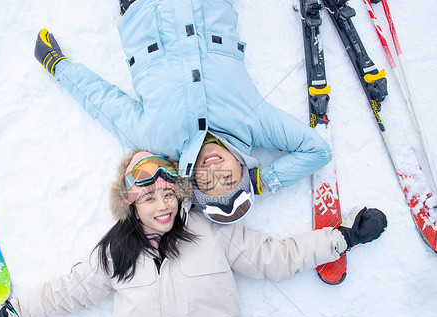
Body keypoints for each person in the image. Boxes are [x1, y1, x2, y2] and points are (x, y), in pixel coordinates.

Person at [0, 151, 387, 317]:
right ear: (130, 204)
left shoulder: (212, 233)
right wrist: (11, 313)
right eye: (149, 197)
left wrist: (344, 237)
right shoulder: (115, 254)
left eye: (168, 195)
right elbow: (67, 292)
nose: (162, 206)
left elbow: (275, 256)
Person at [33, 0, 334, 224]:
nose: (215, 170)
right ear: (243, 169)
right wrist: (262, 182)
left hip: (145, 10)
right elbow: (318, 151)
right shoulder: (255, 122)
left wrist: (58, 66)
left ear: (191, 181)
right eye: (228, 178)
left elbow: (103, 102)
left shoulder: (156, 139)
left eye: (207, 182)